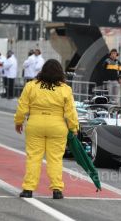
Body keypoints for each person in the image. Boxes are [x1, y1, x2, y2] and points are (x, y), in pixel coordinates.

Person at [14, 59, 79, 199]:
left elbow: (22, 106)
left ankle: (28, 189)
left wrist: (18, 122)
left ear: (42, 71)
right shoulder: (65, 89)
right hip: (57, 125)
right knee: (55, 159)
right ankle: (57, 189)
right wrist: (74, 128)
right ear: (60, 72)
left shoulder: (31, 86)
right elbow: (70, 112)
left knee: (34, 157)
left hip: (35, 124)